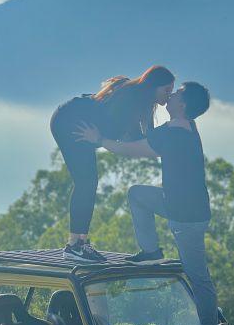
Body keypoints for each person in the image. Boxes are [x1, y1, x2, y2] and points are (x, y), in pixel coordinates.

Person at [74, 82, 220, 325]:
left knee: (198, 276)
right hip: (175, 203)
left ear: (184, 104)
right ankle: (151, 250)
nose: (173, 94)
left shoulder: (176, 132)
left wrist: (98, 141)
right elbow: (149, 136)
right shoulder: (183, 127)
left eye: (177, 94)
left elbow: (134, 150)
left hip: (187, 216)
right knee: (138, 194)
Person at [50, 65, 175, 263]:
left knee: (88, 181)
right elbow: (130, 138)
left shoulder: (143, 102)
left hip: (81, 124)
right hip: (71, 121)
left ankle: (79, 244)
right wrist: (101, 139)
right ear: (154, 87)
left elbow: (138, 139)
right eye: (167, 90)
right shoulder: (131, 98)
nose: (170, 95)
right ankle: (75, 245)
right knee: (87, 182)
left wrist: (167, 142)